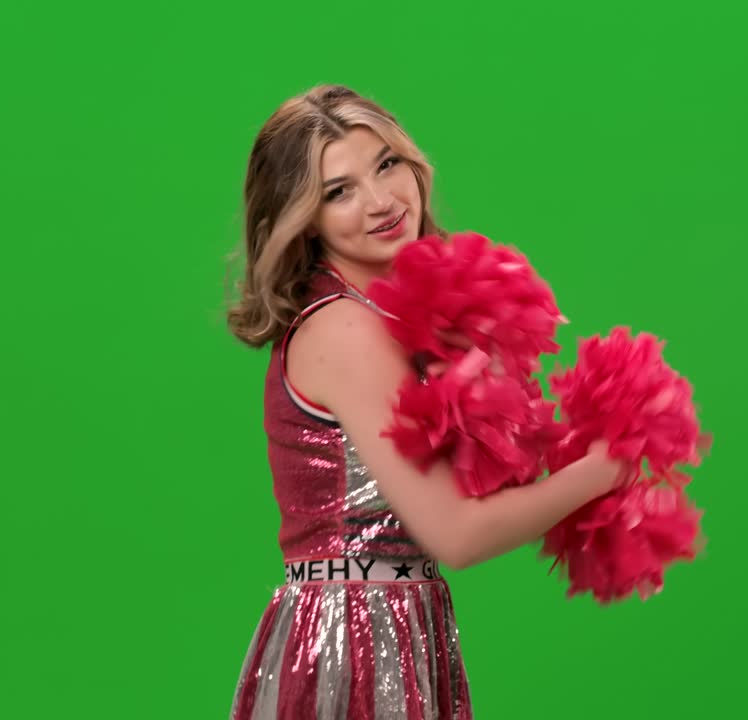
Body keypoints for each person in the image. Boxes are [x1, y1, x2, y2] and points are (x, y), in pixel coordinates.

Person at [226, 85, 627, 719]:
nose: (382, 201)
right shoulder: (343, 330)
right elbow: (457, 534)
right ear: (303, 218)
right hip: (351, 646)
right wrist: (607, 468)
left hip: (398, 629)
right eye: (339, 191)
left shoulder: (387, 320)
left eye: (387, 163)